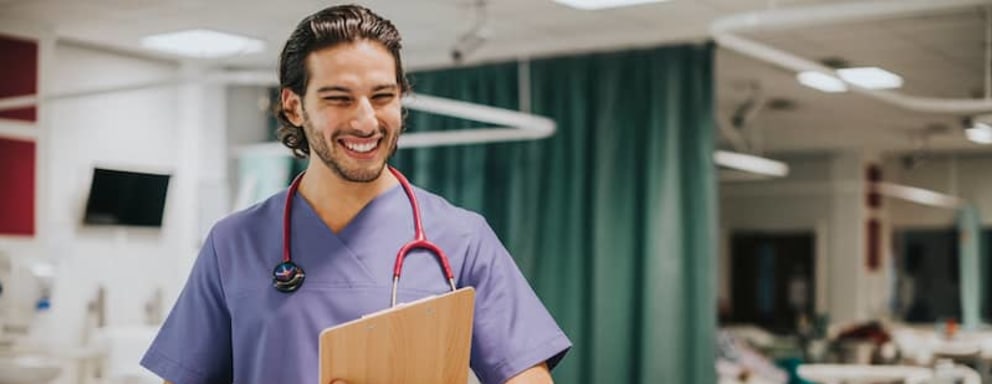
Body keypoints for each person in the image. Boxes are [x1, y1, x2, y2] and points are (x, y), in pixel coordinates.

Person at [140, 4, 571, 384]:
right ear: (293, 106)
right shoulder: (234, 243)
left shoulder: (462, 239)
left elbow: (527, 375)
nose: (366, 122)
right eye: (339, 98)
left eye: (382, 97)